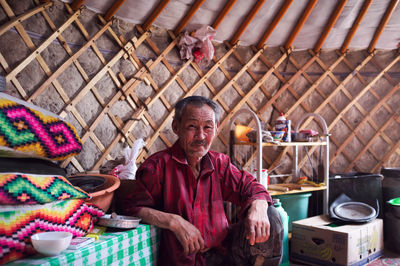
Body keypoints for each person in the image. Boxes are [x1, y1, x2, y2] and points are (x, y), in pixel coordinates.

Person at [123, 96, 283, 265]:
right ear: (176, 127)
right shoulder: (157, 167)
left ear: (216, 128)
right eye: (192, 127)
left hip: (225, 254)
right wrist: (174, 221)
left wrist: (258, 206)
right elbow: (131, 208)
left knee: (271, 215)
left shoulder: (219, 163)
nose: (200, 136)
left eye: (207, 127)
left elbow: (251, 186)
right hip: (184, 259)